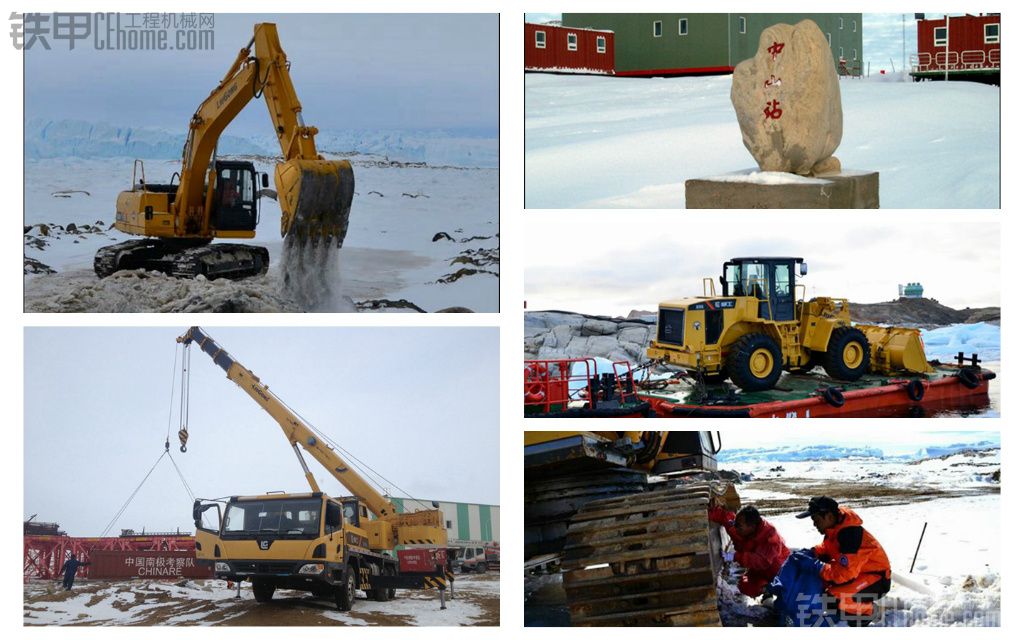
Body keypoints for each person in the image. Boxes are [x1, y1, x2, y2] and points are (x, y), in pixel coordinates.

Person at [793, 496, 892, 626]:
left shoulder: (850, 536)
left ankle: (868, 611)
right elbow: (828, 548)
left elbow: (845, 575)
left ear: (828, 516)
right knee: (822, 586)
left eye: (816, 520)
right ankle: (850, 606)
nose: (814, 524)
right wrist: (813, 552)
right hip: (858, 571)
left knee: (833, 599)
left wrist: (818, 567)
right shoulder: (835, 526)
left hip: (877, 578)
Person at [709, 502, 790, 598]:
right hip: (757, 570)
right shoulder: (739, 528)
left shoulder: (770, 535)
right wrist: (707, 513)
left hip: (778, 569)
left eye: (739, 526)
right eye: (736, 524)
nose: (735, 528)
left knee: (784, 593)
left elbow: (762, 561)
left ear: (752, 526)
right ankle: (765, 589)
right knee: (744, 584)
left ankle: (773, 589)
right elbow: (725, 517)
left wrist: (734, 556)